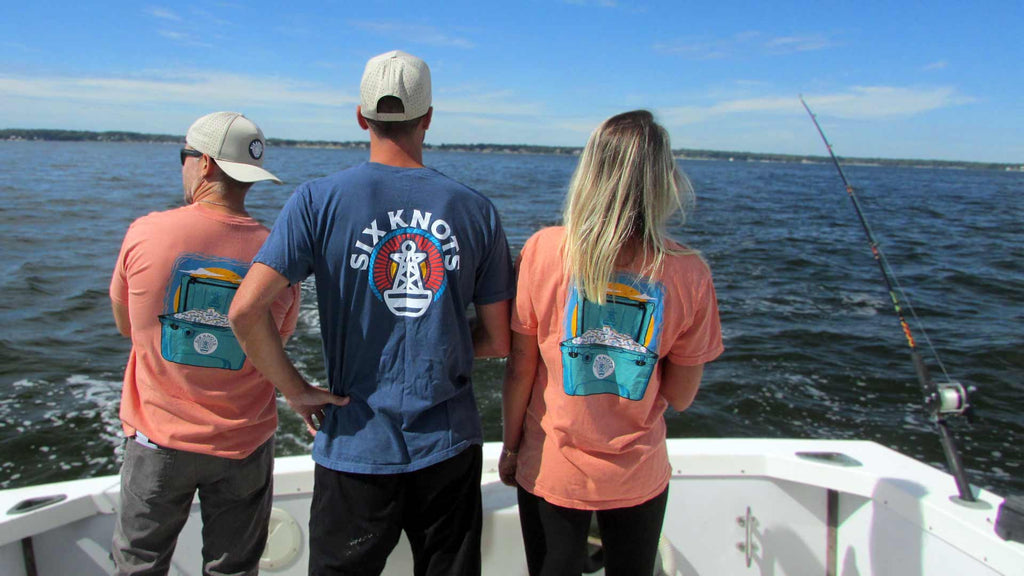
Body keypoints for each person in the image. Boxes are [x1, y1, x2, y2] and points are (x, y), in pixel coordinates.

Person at [229, 50, 514, 576]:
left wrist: (295, 390)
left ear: (360, 116)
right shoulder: (475, 210)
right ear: (429, 117)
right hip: (448, 449)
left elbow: (246, 311)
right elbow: (499, 339)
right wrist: (440, 344)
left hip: (354, 446)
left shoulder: (316, 201)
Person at [498, 110, 724, 576]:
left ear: (590, 173)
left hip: (549, 467)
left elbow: (521, 369)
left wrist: (510, 446)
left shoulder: (542, 250)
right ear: (664, 181)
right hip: (637, 473)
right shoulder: (689, 272)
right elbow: (681, 396)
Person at [109, 111, 305, 575]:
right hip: (243, 445)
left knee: (138, 564)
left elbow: (125, 326)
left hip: (157, 442)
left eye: (184, 158)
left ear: (207, 165)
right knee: (234, 568)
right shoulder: (280, 252)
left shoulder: (145, 232)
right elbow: (274, 344)